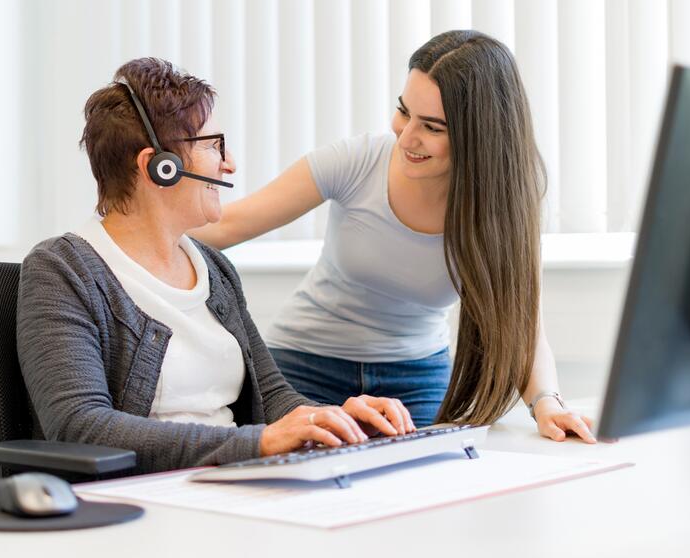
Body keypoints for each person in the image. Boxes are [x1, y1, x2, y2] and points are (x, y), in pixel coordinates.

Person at [189, 30, 596, 443]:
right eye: (404, 111)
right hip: (304, 368)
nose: (406, 136)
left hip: (416, 380)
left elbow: (523, 321)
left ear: (479, 136)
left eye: (432, 127)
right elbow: (225, 226)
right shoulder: (356, 161)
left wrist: (547, 404)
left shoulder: (501, 205)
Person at [16, 58, 415, 475]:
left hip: (232, 487)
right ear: (159, 167)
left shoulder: (213, 268)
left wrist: (337, 421)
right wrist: (254, 443)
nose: (230, 164)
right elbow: (79, 427)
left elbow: (272, 393)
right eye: (214, 146)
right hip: (143, 497)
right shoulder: (62, 271)